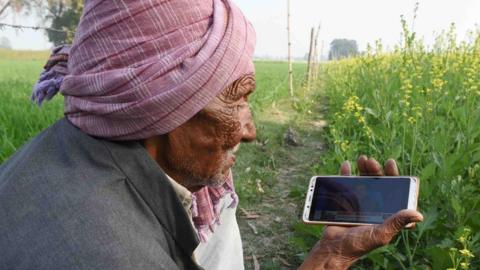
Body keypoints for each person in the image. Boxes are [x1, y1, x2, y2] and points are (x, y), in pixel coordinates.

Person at [0, 0, 423, 269]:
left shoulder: (56, 153)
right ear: (160, 105)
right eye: (236, 99)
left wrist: (330, 258)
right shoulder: (115, 254)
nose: (251, 130)